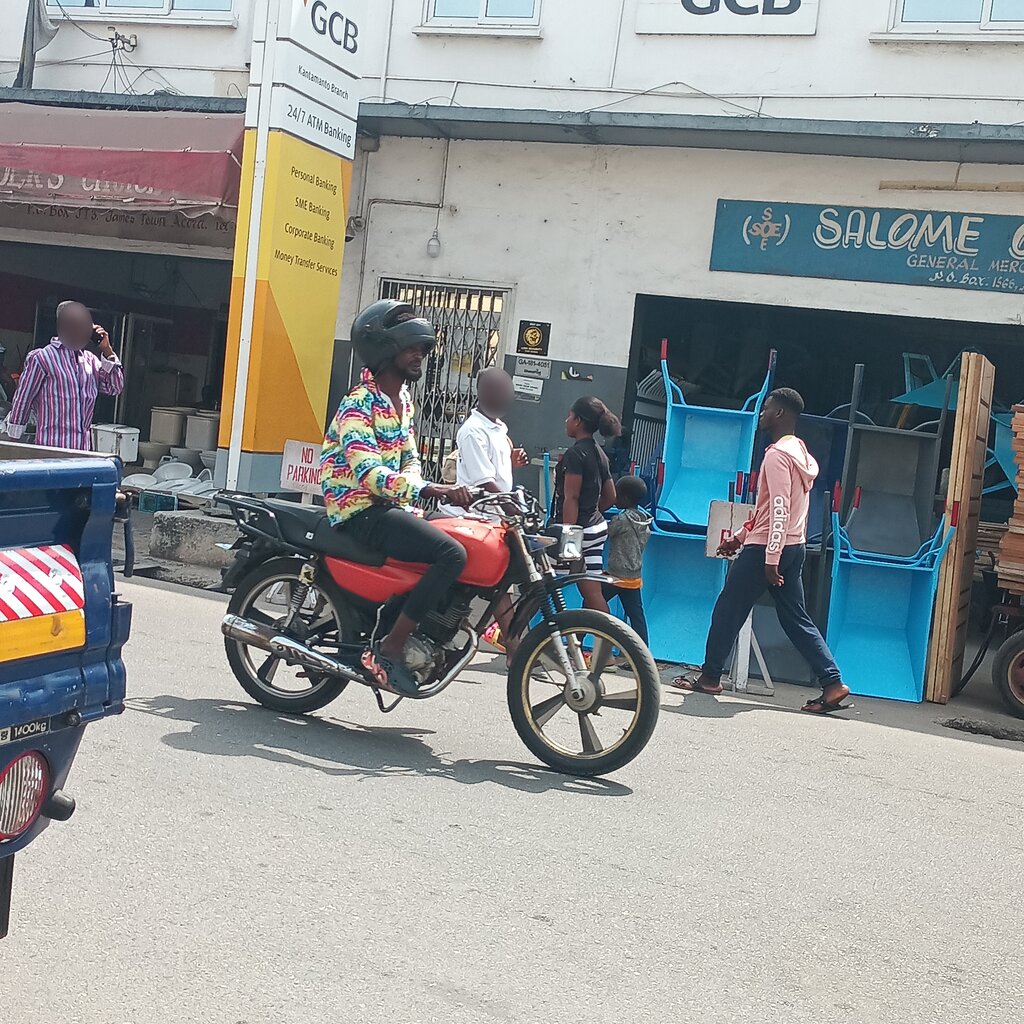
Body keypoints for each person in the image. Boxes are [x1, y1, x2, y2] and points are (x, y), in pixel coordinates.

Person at [320, 299, 475, 697]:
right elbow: (368, 473)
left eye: (423, 349)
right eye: (412, 348)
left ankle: (421, 631)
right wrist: (427, 489)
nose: (419, 356)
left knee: (461, 542)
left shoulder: (402, 401)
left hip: (391, 506)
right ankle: (390, 647)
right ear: (385, 351)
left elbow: (409, 458)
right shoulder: (359, 404)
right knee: (451, 554)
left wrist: (419, 488)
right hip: (360, 510)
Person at [670, 388, 852, 716]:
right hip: (790, 544)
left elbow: (778, 508)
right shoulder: (799, 453)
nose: (762, 413)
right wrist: (739, 536)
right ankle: (833, 682)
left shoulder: (777, 456)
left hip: (769, 549)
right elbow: (767, 507)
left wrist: (770, 558)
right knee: (795, 617)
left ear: (780, 413)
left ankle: (711, 677)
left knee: (728, 609)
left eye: (767, 408)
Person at [438, 367, 529, 660]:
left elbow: (496, 475)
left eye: (510, 390)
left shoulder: (498, 429)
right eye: (503, 390)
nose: (509, 396)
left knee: (502, 584)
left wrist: (512, 467)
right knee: (472, 584)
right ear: (485, 392)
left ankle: (515, 649)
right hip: (468, 521)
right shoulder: (473, 431)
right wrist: (511, 505)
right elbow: (483, 482)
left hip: (492, 519)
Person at [1, 301, 123, 450]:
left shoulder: (91, 361)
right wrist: (14, 443)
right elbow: (23, 399)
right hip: (50, 451)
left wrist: (107, 351)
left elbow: (115, 387)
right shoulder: (42, 357)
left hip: (81, 454)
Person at [551, 396, 621, 612]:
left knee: (538, 582)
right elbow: (610, 496)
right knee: (592, 593)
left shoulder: (575, 454)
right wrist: (591, 513)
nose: (566, 420)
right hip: (596, 529)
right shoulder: (600, 453)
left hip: (576, 533)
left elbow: (571, 498)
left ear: (578, 421)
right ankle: (608, 639)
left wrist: (569, 541)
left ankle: (517, 636)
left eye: (569, 416)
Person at [602, 475, 652, 646]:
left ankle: (576, 642)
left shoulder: (621, 520)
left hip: (616, 576)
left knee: (590, 603)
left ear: (625, 498)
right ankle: (643, 653)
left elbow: (605, 532)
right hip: (633, 577)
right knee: (637, 617)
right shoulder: (644, 520)